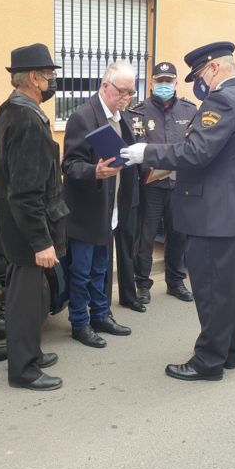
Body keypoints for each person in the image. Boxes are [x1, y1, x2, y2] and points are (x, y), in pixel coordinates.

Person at [120, 42, 235, 381]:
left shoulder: (222, 100)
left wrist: (147, 153)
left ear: (213, 68)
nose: (198, 81)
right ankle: (228, 351)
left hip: (214, 218)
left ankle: (208, 362)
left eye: (199, 74)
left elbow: (196, 152)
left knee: (212, 292)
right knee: (231, 292)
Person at [0, 43, 67, 391]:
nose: (52, 82)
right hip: (26, 231)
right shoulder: (26, 119)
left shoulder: (13, 109)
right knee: (23, 301)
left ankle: (30, 353)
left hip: (16, 226)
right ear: (34, 78)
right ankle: (24, 369)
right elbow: (25, 191)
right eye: (49, 76)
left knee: (31, 297)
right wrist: (41, 240)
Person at [62, 60, 138, 348]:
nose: (126, 98)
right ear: (106, 86)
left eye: (131, 93)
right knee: (81, 271)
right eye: (122, 92)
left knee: (101, 268)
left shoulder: (123, 117)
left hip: (112, 207)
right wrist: (94, 171)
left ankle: (101, 314)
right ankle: (80, 323)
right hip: (86, 211)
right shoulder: (82, 117)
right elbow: (69, 165)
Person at [129, 61, 197, 305]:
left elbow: (191, 148)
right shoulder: (137, 112)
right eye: (160, 81)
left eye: (169, 81)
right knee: (145, 237)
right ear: (151, 83)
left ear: (176, 83)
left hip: (179, 185)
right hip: (151, 186)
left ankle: (176, 281)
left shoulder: (189, 111)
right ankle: (143, 284)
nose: (164, 85)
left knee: (177, 234)